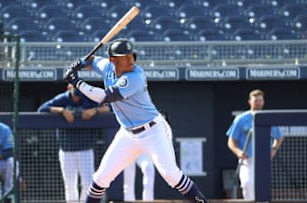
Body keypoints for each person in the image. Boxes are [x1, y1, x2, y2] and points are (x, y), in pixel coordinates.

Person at [64, 38, 208, 203]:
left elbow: (104, 97)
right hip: (127, 134)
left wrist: (76, 82)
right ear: (113, 60)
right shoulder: (107, 66)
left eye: (131, 55)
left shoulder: (135, 77)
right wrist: (80, 63)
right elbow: (93, 61)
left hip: (153, 131)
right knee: (100, 178)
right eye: (124, 57)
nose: (130, 59)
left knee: (171, 175)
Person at [37, 83, 110, 202]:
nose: (77, 92)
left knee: (87, 184)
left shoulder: (89, 98)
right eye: (74, 87)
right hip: (67, 149)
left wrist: (95, 110)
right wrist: (62, 110)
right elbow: (41, 109)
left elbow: (109, 108)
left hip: (85, 148)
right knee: (70, 185)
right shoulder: (63, 98)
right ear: (69, 88)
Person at [226, 89, 284, 200]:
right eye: (255, 100)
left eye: (260, 100)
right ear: (249, 101)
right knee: (247, 184)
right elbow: (231, 141)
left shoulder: (268, 118)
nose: (258, 103)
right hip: (247, 158)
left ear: (263, 102)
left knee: (261, 186)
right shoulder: (241, 119)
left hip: (263, 159)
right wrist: (238, 152)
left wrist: (274, 149)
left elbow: (279, 137)